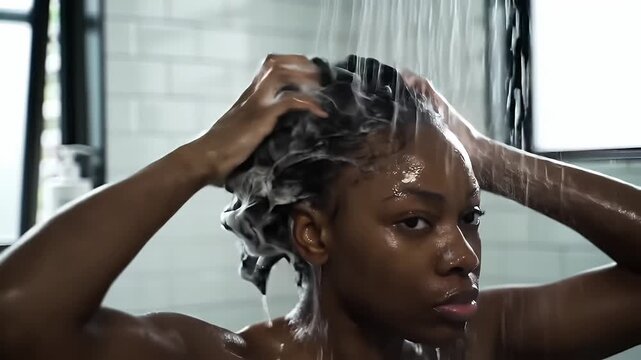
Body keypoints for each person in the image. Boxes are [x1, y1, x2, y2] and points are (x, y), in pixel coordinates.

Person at [0, 54, 639, 360]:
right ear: (314, 234)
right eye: (415, 221)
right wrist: (198, 159)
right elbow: (16, 320)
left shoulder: (474, 344)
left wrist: (484, 158)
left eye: (469, 217)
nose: (463, 255)